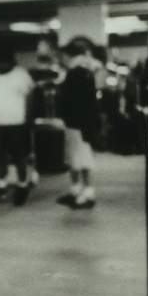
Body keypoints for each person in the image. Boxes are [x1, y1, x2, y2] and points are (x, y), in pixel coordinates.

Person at [0, 33, 37, 206]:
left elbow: (30, 100)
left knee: (20, 157)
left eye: (0, 59)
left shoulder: (21, 75)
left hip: (16, 124)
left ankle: (22, 185)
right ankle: (0, 185)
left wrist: (28, 122)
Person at [56, 37, 103, 210]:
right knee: (75, 158)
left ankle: (88, 192)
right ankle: (77, 190)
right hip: (78, 122)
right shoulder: (81, 71)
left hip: (79, 123)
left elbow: (78, 101)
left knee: (83, 159)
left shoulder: (78, 72)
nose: (61, 60)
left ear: (69, 55)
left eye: (63, 56)